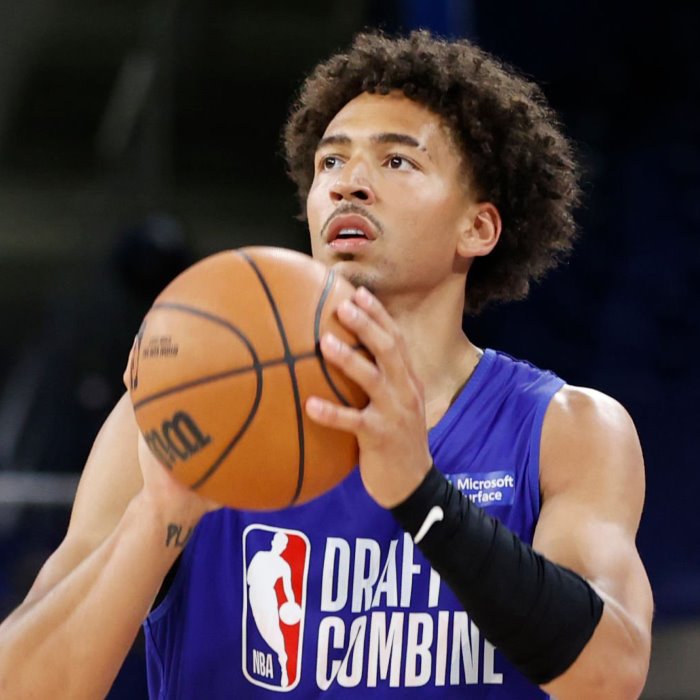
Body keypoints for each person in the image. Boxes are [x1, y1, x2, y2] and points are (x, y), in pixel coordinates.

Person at [0, 30, 652, 698]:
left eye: (397, 161)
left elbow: (612, 674)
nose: (349, 185)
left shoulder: (565, 430)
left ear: (478, 228)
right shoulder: (179, 413)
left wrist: (421, 496)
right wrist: (162, 513)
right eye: (330, 162)